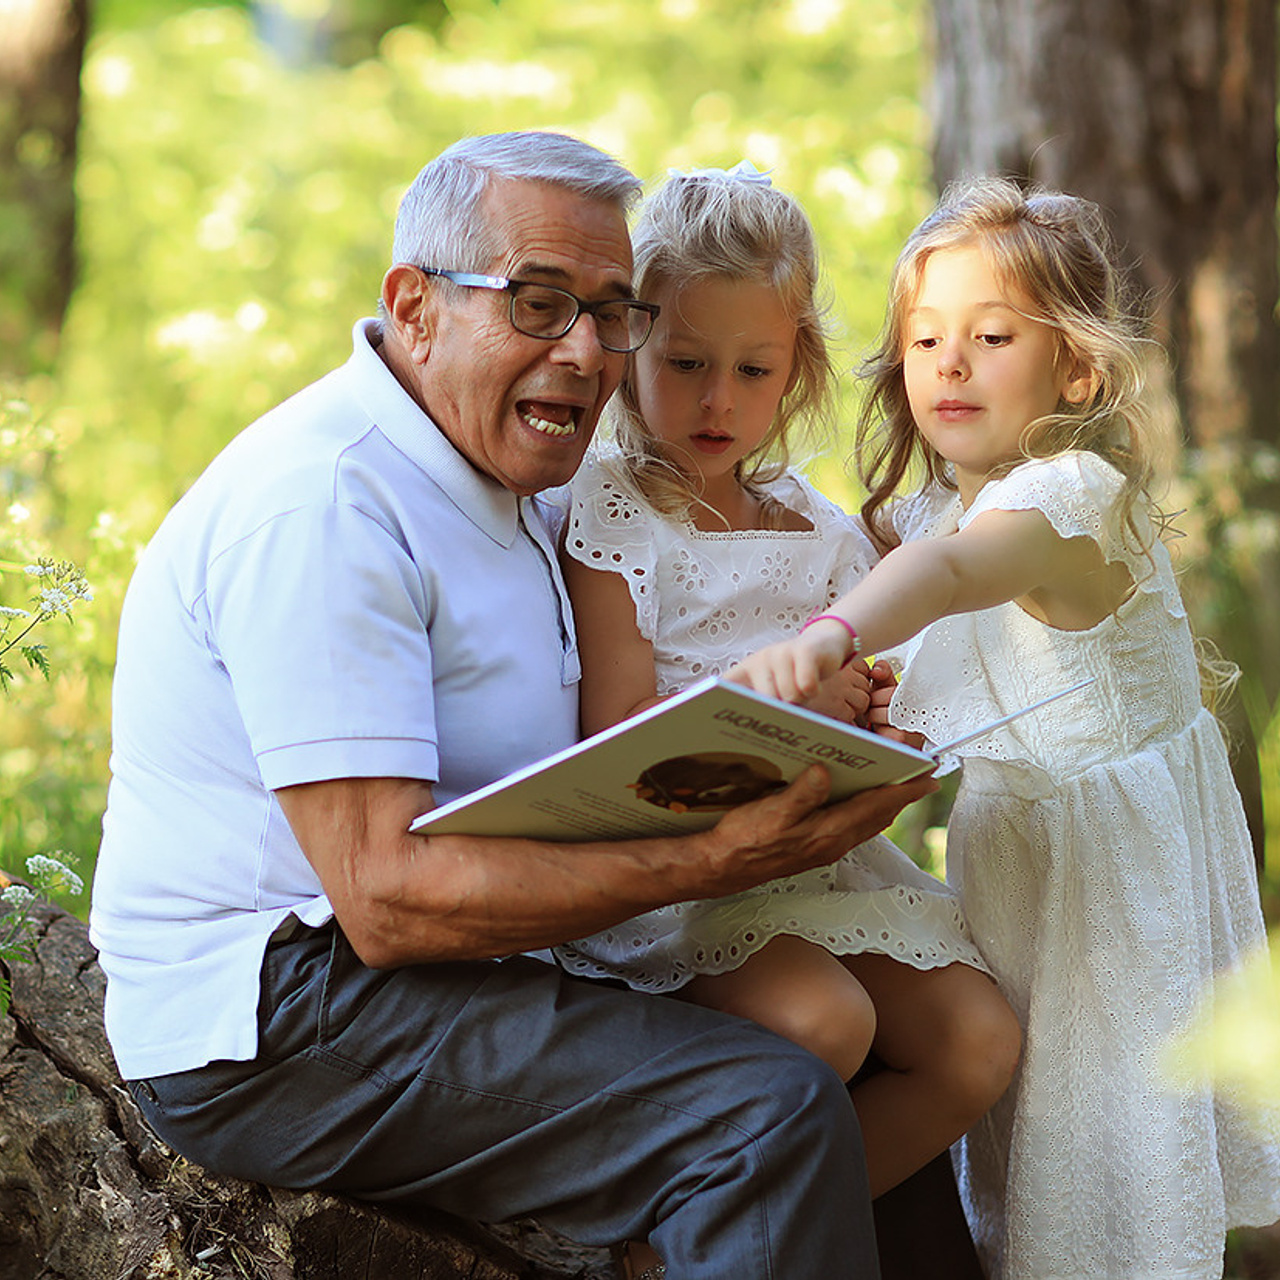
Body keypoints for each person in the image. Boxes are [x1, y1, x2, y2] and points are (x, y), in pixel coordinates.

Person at [88, 131, 942, 1280]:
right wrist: (714, 857)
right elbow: (384, 897)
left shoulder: (523, 478)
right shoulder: (326, 507)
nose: (585, 351)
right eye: (537, 304)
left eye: (611, 311)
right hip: (277, 1015)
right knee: (762, 1111)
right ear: (415, 306)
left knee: (917, 1043)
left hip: (445, 959)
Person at [730, 175, 1280, 1279]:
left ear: (1074, 368)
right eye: (924, 338)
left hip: (1115, 893)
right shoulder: (940, 506)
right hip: (1021, 872)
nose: (949, 363)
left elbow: (948, 576)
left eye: (989, 336)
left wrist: (831, 633)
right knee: (1034, 1171)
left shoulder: (1070, 494)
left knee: (1115, 1167)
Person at [553, 167, 1020, 1280]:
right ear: (631, 349)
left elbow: (876, 698)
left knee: (977, 1040)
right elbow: (619, 728)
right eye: (685, 364)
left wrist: (878, 723)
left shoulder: (818, 529)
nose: (717, 401)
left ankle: (690, 1243)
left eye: (752, 370)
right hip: (680, 876)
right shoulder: (614, 510)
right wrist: (776, 703)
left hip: (818, 857)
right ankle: (667, 1233)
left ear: (797, 367)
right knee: (826, 1022)